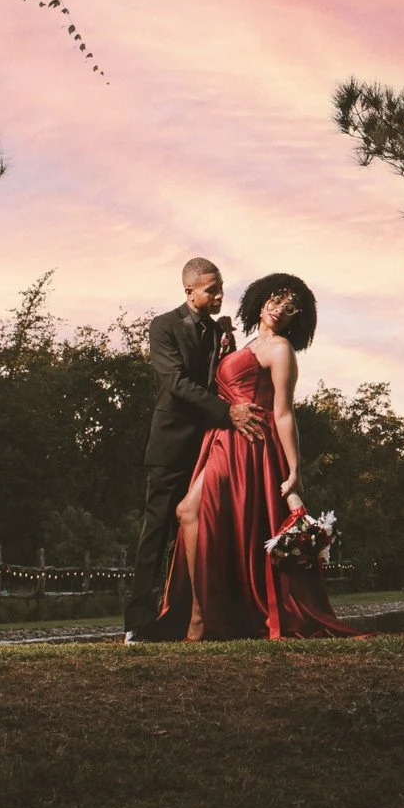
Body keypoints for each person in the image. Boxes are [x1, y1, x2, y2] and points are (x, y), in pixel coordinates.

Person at [156, 272, 363, 640]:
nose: (280, 308)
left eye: (291, 307)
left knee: (190, 511)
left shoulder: (282, 349)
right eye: (277, 298)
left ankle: (201, 620)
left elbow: (283, 412)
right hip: (223, 439)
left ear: (296, 319)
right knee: (194, 515)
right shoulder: (245, 342)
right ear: (262, 298)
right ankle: (203, 615)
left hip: (251, 443)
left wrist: (294, 470)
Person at [124, 257, 263, 642]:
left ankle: (190, 617)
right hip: (171, 445)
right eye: (210, 290)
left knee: (205, 532)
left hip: (210, 447)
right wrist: (227, 413)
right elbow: (176, 383)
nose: (219, 296)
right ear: (189, 291)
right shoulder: (163, 326)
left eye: (221, 288)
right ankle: (137, 624)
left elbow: (223, 380)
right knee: (156, 532)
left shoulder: (223, 332)